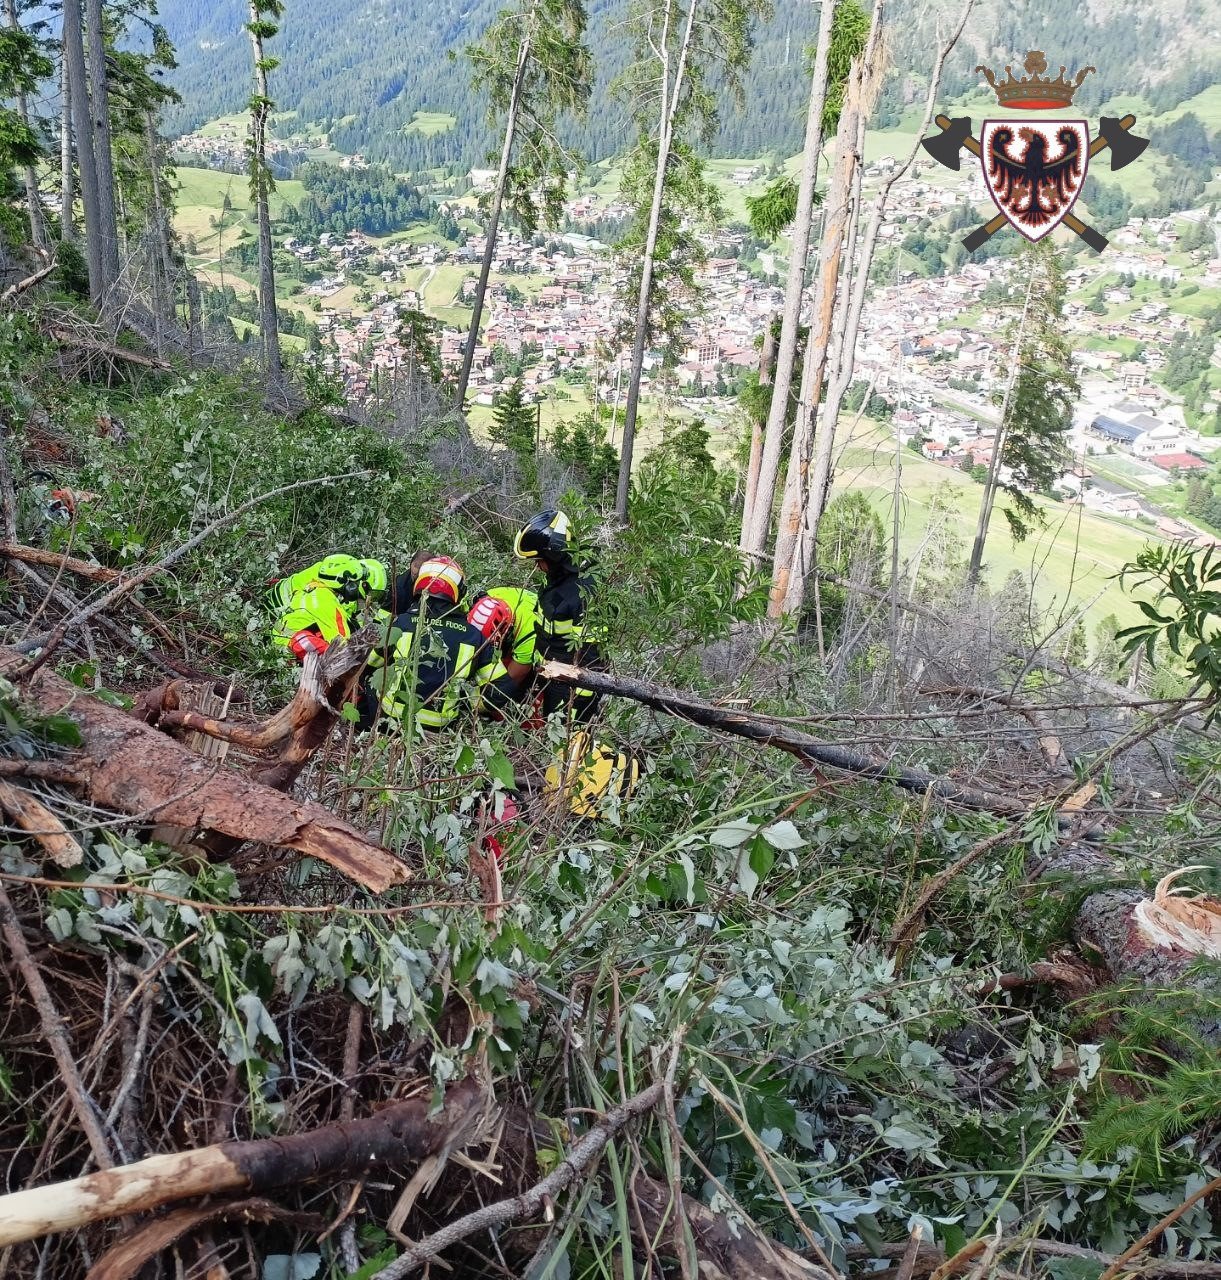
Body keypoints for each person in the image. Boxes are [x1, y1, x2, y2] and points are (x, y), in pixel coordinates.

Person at [377, 556, 513, 731]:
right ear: (458, 592)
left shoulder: (401, 623)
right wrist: (466, 701)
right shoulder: (473, 636)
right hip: (439, 727)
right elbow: (501, 690)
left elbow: (371, 662)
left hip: (391, 720)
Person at [512, 508, 605, 723]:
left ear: (554, 555)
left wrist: (577, 703)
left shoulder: (583, 594)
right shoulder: (560, 581)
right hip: (552, 678)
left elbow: (590, 658)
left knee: (565, 752)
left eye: (539, 560)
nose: (538, 567)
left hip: (572, 692)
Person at [269, 554, 388, 661]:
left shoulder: (313, 588)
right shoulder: (328, 604)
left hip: (276, 643)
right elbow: (344, 648)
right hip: (288, 655)